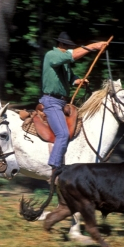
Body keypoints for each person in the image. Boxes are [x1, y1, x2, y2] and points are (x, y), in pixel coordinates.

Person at [40, 32, 107, 172]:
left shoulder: (64, 64)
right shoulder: (52, 55)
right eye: (69, 47)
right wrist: (94, 46)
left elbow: (71, 79)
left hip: (62, 103)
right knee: (63, 134)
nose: (71, 49)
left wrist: (79, 81)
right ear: (62, 45)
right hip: (51, 101)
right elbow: (72, 56)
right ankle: (55, 167)